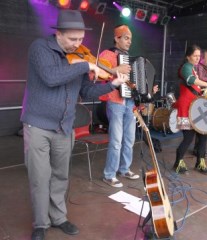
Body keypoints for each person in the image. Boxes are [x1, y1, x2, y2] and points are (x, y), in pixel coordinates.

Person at [20, 10, 128, 240]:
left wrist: (113, 84)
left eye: (81, 40)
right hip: (37, 125)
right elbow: (51, 78)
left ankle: (58, 217)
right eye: (72, 40)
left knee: (61, 176)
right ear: (58, 34)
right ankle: (41, 223)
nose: (77, 45)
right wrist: (84, 65)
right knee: (40, 178)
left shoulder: (78, 58)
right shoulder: (40, 49)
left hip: (64, 127)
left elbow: (86, 90)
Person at [99, 25, 140, 188]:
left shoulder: (129, 57)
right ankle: (109, 174)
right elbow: (97, 73)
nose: (129, 41)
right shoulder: (107, 54)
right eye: (126, 38)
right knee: (116, 140)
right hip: (115, 101)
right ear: (116, 38)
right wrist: (117, 69)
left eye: (130, 38)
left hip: (129, 102)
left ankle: (124, 169)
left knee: (129, 139)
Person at [173, 45, 207, 175]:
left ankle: (201, 161)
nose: (197, 58)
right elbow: (191, 80)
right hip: (187, 106)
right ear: (188, 56)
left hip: (195, 105)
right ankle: (178, 161)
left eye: (199, 56)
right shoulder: (186, 67)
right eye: (195, 56)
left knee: (203, 135)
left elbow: (197, 85)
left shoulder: (193, 68)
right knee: (189, 137)